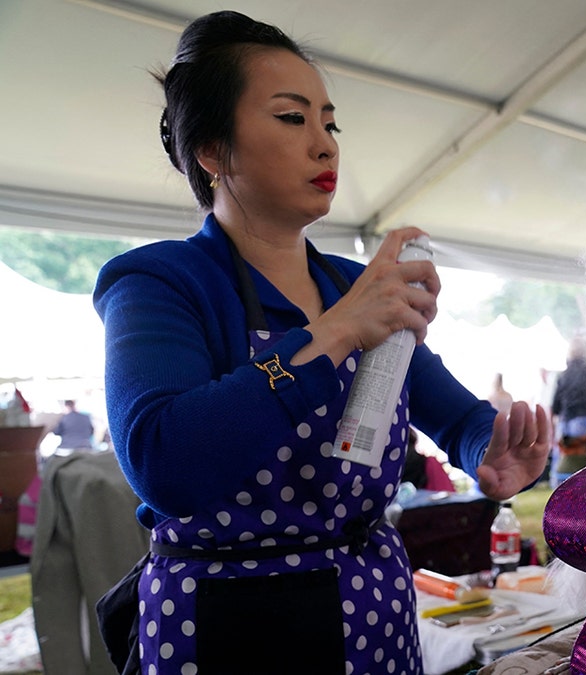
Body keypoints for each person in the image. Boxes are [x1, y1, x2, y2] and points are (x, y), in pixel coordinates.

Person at [92, 12, 550, 674]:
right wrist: (335, 330)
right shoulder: (161, 281)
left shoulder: (353, 283)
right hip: (233, 619)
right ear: (213, 151)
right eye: (291, 117)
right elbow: (164, 460)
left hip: (373, 608)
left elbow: (457, 415)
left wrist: (491, 449)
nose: (325, 145)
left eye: (329, 123)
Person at [549, 336, 586, 487]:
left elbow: (555, 407)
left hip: (572, 421)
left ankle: (561, 489)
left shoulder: (564, 375)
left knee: (566, 462)